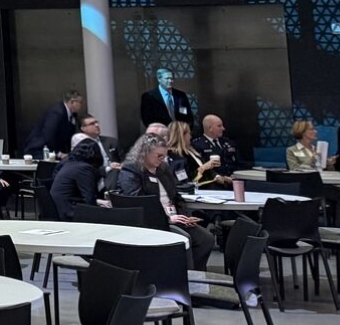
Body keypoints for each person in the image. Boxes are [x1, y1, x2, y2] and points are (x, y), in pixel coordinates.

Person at [113, 135, 213, 269]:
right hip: (153, 221)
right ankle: (184, 277)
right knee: (185, 238)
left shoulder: (163, 169)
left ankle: (195, 273)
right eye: (158, 156)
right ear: (145, 153)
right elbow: (138, 202)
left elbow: (175, 197)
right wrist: (168, 218)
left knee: (207, 239)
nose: (162, 159)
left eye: (164, 156)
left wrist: (186, 216)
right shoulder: (131, 170)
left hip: (175, 217)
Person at [50, 137, 108, 219]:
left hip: (60, 209)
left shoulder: (70, 164)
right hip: (70, 212)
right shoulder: (84, 169)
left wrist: (98, 201)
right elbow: (89, 198)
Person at [24, 90, 84, 158]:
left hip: (54, 150)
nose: (81, 105)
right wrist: (59, 153)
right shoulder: (57, 112)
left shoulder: (72, 115)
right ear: (72, 102)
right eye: (80, 102)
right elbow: (49, 134)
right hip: (41, 149)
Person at [139, 68, 196, 133]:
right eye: (167, 78)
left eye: (172, 79)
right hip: (161, 134)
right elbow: (147, 119)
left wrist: (185, 130)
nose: (170, 81)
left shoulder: (180, 95)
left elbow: (187, 114)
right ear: (159, 79)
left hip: (180, 133)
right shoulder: (149, 97)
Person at [194, 114, 241, 181]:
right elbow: (198, 169)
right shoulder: (198, 145)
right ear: (210, 128)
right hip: (213, 183)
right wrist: (218, 177)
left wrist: (235, 175)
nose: (223, 128)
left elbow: (237, 163)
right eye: (219, 126)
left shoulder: (228, 142)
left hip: (234, 180)